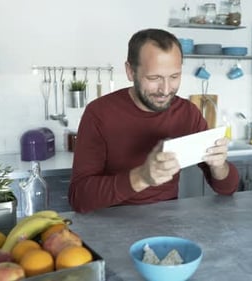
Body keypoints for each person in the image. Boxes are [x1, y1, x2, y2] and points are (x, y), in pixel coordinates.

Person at [68, 28, 239, 213]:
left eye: (174, 76)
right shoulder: (99, 113)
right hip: (109, 224)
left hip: (166, 225)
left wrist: (219, 166)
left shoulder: (188, 113)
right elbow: (79, 198)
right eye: (154, 78)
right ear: (130, 71)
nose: (165, 90)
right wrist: (141, 177)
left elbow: (227, 189)